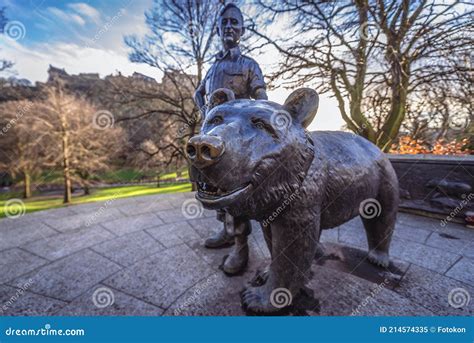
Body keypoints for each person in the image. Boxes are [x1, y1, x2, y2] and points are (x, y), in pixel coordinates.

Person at [193, 3, 268, 275]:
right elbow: (198, 92)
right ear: (218, 29)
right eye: (224, 22)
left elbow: (262, 98)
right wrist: (206, 114)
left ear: (243, 30)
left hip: (236, 138)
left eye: (234, 22)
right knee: (213, 186)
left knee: (234, 189)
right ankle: (226, 231)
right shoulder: (212, 67)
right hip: (211, 133)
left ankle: (240, 246)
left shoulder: (249, 64)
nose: (229, 26)